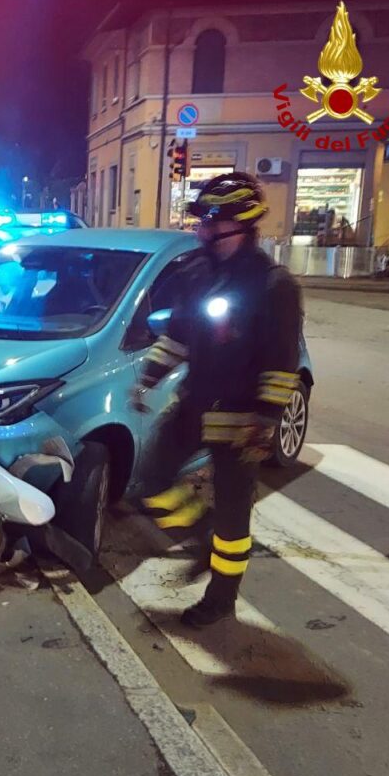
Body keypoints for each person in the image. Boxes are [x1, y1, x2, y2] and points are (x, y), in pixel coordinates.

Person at [130, 172, 304, 626]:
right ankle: (201, 535)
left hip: (242, 419)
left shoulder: (274, 286)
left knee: (233, 515)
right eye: (202, 222)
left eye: (209, 222)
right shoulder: (195, 272)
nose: (201, 231)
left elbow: (282, 363)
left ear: (239, 226)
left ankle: (221, 598)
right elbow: (177, 337)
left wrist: (265, 420)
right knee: (150, 482)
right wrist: (148, 377)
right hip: (195, 403)